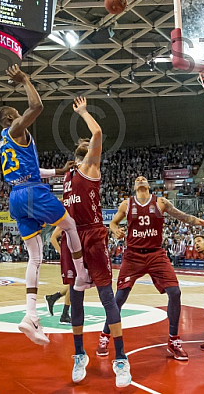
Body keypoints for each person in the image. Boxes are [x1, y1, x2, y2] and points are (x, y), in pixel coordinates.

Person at [0, 65, 91, 346]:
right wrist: (24, 79)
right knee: (70, 224)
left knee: (34, 258)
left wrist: (58, 172)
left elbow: (32, 168)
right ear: (12, 117)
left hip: (16, 196)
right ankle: (82, 274)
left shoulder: (3, 141)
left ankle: (30, 316)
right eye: (16, 113)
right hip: (32, 193)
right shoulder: (15, 127)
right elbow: (37, 105)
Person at [58, 97, 131, 387]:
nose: (91, 149)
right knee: (75, 298)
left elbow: (98, 134)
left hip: (92, 235)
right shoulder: (67, 175)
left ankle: (121, 358)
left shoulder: (90, 168)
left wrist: (84, 112)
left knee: (106, 297)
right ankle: (79, 355)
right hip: (71, 236)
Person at [100, 176, 204, 361]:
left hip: (155, 254)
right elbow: (112, 222)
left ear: (148, 185)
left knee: (175, 292)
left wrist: (201, 222)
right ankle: (105, 335)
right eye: (137, 179)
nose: (141, 179)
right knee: (119, 297)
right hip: (133, 255)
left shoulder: (160, 202)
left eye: (143, 178)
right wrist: (114, 229)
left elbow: (181, 216)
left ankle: (173, 339)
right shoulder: (126, 204)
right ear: (134, 186)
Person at [46, 230, 72, 325]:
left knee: (76, 283)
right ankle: (64, 314)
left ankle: (53, 298)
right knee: (73, 284)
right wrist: (62, 252)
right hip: (68, 257)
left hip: (74, 255)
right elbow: (53, 238)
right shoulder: (64, 220)